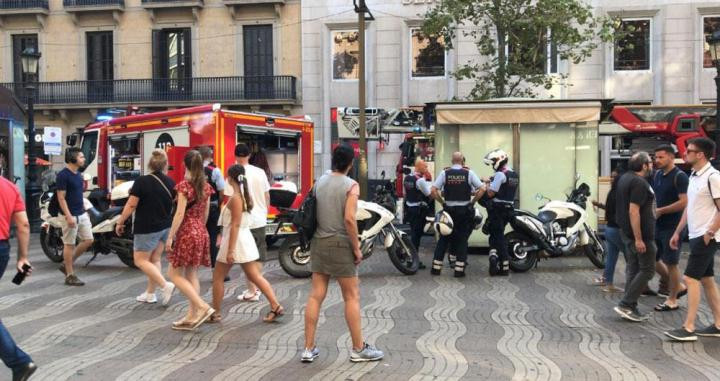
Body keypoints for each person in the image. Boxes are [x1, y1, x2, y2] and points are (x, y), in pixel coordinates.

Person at [301, 144, 384, 363]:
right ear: (350, 163)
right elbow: (349, 219)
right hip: (340, 244)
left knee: (316, 295)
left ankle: (308, 348)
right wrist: (356, 248)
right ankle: (358, 348)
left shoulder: (320, 182)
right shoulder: (351, 185)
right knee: (351, 296)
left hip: (319, 242)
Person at [209, 164, 284, 323]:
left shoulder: (236, 198)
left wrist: (230, 251)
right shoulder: (242, 195)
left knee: (218, 277)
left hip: (236, 241)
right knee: (255, 276)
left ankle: (215, 312)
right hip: (243, 240)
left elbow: (235, 224)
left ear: (229, 178)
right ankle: (275, 306)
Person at [665, 137, 720, 341]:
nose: (684, 153)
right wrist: (678, 232)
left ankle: (688, 327)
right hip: (696, 234)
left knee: (690, 279)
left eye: (689, 151)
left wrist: (710, 232)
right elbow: (690, 208)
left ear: (701, 155)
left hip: (707, 237)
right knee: (707, 280)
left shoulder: (713, 177)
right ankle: (718, 324)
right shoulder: (695, 176)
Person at [116, 149, 176, 305]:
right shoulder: (171, 182)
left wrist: (120, 221)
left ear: (150, 164)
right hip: (164, 226)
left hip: (147, 227)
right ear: (165, 165)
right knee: (155, 259)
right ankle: (150, 294)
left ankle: (164, 285)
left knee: (140, 260)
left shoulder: (142, 181)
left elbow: (131, 204)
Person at [165, 150, 215, 331]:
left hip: (186, 231)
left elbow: (179, 214)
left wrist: (170, 236)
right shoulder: (206, 186)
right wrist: (200, 228)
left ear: (185, 165)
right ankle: (192, 315)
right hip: (201, 230)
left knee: (173, 274)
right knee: (192, 274)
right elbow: (206, 213)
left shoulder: (184, 186)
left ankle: (202, 307)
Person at [0, 176, 37, 380]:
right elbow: (23, 224)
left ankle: (20, 362)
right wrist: (23, 257)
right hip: (2, 249)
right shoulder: (9, 187)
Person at [613, 151, 657, 322]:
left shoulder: (625, 178)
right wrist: (639, 238)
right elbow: (634, 210)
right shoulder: (638, 182)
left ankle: (630, 305)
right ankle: (627, 303)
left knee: (634, 267)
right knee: (647, 270)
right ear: (644, 165)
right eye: (650, 163)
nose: (652, 165)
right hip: (640, 235)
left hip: (627, 232)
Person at [430, 151, 485, 277]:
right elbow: (482, 189)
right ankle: (459, 270)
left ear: (452, 160)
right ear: (462, 160)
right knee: (462, 239)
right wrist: (473, 202)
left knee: (444, 238)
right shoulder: (469, 173)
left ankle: (436, 268)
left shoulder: (445, 173)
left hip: (448, 210)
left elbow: (433, 190)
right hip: (464, 210)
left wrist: (442, 202)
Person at [228, 143, 271, 303]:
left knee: (247, 257)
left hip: (243, 222)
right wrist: (264, 212)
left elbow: (230, 198)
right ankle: (255, 287)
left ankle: (252, 290)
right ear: (249, 155)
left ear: (235, 155)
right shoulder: (260, 172)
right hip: (259, 219)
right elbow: (267, 196)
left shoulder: (233, 172)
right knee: (258, 256)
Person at [651, 145, 688, 311]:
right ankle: (678, 286)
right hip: (658, 225)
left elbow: (684, 202)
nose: (657, 160)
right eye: (656, 157)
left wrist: (661, 210)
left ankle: (672, 299)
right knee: (651, 257)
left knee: (671, 263)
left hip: (673, 226)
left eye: (661, 157)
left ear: (672, 157)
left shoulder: (680, 176)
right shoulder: (658, 174)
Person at [56, 147, 93, 286]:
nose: (83, 159)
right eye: (81, 157)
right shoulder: (63, 175)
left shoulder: (78, 174)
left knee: (88, 240)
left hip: (81, 213)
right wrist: (68, 216)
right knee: (69, 244)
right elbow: (61, 198)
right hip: (69, 215)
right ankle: (70, 275)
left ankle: (67, 263)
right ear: (73, 158)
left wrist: (84, 209)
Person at [481, 148, 519, 276]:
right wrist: (489, 180)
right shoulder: (513, 174)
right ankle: (494, 255)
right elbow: (504, 185)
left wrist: (485, 187)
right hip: (509, 209)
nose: (492, 164)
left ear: (499, 160)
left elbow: (491, 192)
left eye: (493, 162)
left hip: (498, 209)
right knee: (496, 232)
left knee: (498, 236)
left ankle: (504, 265)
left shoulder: (500, 175)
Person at [591, 167, 625, 293]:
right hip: (616, 229)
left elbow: (610, 209)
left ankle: (607, 280)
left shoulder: (612, 192)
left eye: (614, 177)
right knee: (631, 257)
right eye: (611, 176)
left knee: (611, 256)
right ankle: (634, 284)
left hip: (609, 229)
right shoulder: (620, 193)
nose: (611, 179)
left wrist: (598, 205)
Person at [198, 146, 226, 277]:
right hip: (212, 207)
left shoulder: (192, 169)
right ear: (210, 156)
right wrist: (219, 203)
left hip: (195, 209)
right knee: (213, 236)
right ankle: (216, 270)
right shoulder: (215, 170)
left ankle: (191, 269)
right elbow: (222, 191)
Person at [403, 158, 432, 269]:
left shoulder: (407, 178)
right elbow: (429, 194)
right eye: (425, 166)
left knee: (413, 234)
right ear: (419, 167)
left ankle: (410, 257)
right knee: (416, 237)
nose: (426, 168)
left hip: (410, 209)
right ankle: (414, 259)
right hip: (418, 211)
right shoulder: (420, 180)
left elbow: (406, 194)